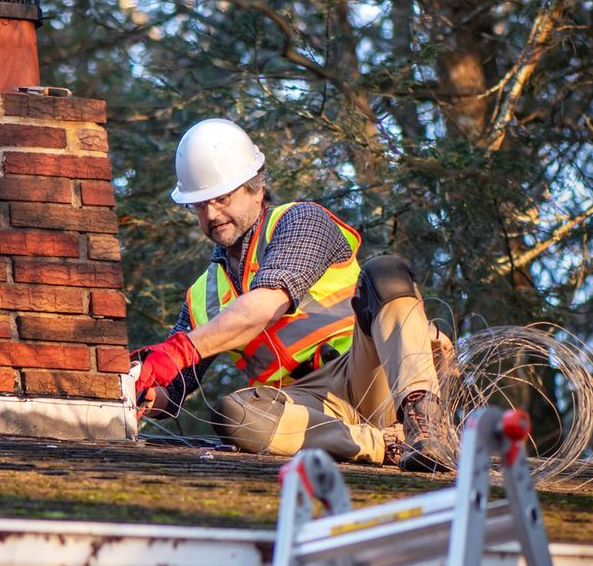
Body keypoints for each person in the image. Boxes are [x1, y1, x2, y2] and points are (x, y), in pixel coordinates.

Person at [133, 118, 455, 469]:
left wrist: (179, 351)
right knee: (234, 414)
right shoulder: (203, 294)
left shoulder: (300, 221)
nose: (211, 214)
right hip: (306, 408)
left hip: (371, 373)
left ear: (256, 188)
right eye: (199, 205)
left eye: (222, 198)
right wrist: (138, 386)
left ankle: (424, 423)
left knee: (385, 271)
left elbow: (267, 302)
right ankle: (388, 446)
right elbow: (172, 393)